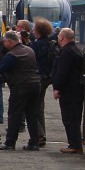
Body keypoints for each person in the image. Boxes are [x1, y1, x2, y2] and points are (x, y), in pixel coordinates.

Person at [0, 31, 42, 150]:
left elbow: (0, 69)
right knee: (32, 114)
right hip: (35, 84)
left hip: (20, 86)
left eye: (5, 41)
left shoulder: (12, 54)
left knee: (15, 114)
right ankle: (34, 142)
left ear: (10, 41)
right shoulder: (29, 50)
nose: (3, 44)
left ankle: (10, 142)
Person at [50, 27, 85, 154]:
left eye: (59, 36)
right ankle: (75, 142)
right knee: (75, 117)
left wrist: (57, 87)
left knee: (69, 117)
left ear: (62, 37)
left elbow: (62, 71)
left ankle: (74, 144)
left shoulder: (66, 52)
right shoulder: (76, 50)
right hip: (76, 89)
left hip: (69, 90)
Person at [28, 17, 57, 147]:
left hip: (37, 77)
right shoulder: (50, 43)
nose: (32, 31)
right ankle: (41, 134)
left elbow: (32, 59)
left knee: (32, 106)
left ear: (38, 31)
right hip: (46, 77)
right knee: (39, 107)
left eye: (34, 29)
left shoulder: (37, 45)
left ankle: (39, 134)